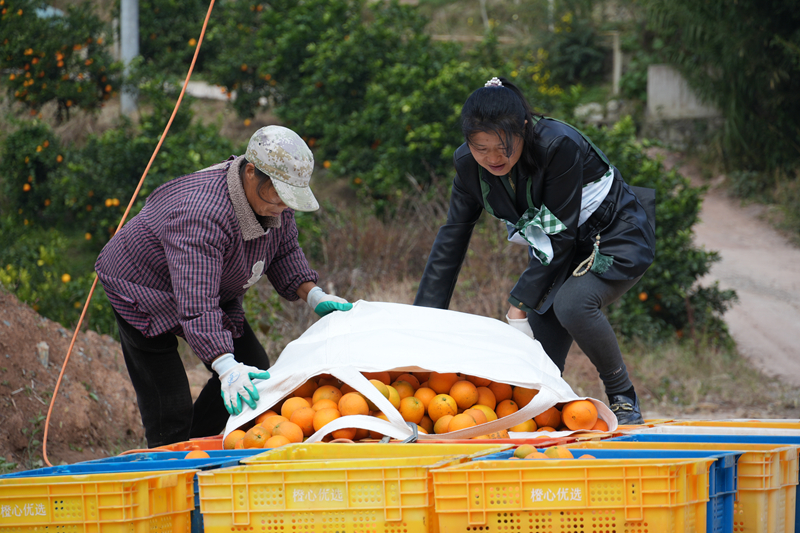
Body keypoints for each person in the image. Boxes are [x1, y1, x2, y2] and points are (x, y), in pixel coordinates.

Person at [414, 77, 655, 424]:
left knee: (572, 305)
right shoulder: (468, 166)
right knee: (535, 374)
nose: (493, 158)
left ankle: (622, 396)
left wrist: (516, 306)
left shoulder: (558, 145)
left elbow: (561, 233)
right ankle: (552, 415)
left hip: (613, 235)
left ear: (523, 129)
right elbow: (451, 238)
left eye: (503, 147)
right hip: (553, 247)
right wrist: (423, 319)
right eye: (480, 148)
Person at [95, 125, 352, 447]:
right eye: (280, 196)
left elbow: (284, 250)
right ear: (249, 173)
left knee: (253, 366)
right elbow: (197, 302)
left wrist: (313, 294)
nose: (284, 207)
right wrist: (225, 365)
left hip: (208, 288)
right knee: (170, 404)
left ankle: (200, 445)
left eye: (290, 199)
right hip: (141, 288)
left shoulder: (272, 202)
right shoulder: (201, 214)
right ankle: (170, 471)